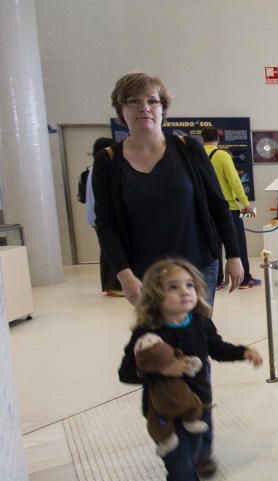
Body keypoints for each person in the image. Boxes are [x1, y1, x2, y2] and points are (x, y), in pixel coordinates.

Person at [117, 258, 262, 481]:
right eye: (173, 287)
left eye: (189, 286)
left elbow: (217, 349)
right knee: (180, 466)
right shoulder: (147, 332)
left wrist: (244, 351)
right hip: (164, 414)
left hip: (199, 407)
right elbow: (126, 372)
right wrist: (161, 370)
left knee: (191, 457)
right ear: (156, 296)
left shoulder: (200, 323)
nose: (184, 292)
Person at [91, 72, 243, 308]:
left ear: (163, 108)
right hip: (145, 272)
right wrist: (123, 273)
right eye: (134, 101)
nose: (145, 108)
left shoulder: (188, 149)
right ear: (121, 109)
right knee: (158, 340)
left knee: (197, 337)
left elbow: (217, 204)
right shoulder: (108, 161)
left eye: (152, 101)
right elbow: (106, 223)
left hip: (198, 265)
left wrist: (234, 255)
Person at [202, 128, 259, 290]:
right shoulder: (222, 155)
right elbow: (234, 181)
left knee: (213, 246)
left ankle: (217, 280)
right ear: (218, 140)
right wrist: (245, 203)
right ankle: (244, 279)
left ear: (202, 139)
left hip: (205, 209)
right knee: (237, 243)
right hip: (227, 208)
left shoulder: (198, 155)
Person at [83, 137, 122, 296]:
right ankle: (114, 286)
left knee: (106, 251)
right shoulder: (103, 168)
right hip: (102, 217)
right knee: (111, 250)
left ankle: (110, 286)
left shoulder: (92, 169)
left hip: (94, 216)